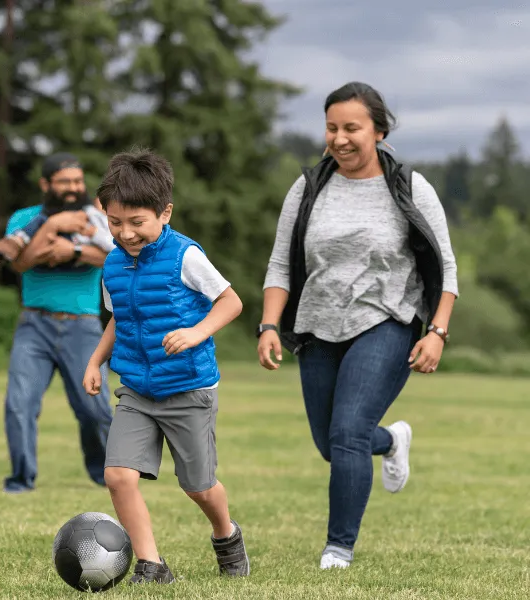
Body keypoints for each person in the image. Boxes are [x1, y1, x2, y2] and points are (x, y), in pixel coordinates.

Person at [256, 82, 459, 569]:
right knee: (331, 444)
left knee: (348, 432)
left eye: (352, 128)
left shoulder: (410, 185)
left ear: (379, 131)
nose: (340, 138)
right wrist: (267, 325)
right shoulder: (308, 187)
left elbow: (446, 268)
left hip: (388, 319)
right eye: (332, 127)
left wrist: (437, 331)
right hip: (319, 322)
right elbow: (281, 265)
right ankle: (391, 440)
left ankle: (337, 548)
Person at [83, 148, 250, 584]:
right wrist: (96, 360)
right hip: (137, 388)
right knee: (118, 475)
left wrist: (196, 332)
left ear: (164, 212)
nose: (126, 233)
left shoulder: (186, 256)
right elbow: (120, 318)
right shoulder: (112, 264)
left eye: (136, 222)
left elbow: (230, 302)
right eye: (115, 223)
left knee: (197, 486)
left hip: (188, 388)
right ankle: (152, 565)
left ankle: (226, 534)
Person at [0, 152, 114, 494]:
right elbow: (18, 263)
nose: (72, 188)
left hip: (84, 326)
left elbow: (116, 256)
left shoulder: (96, 218)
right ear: (45, 184)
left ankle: (104, 475)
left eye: (77, 181)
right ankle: (21, 480)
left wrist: (72, 251)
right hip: (35, 324)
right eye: (64, 182)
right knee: (19, 404)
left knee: (95, 409)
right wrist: (50, 228)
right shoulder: (24, 218)